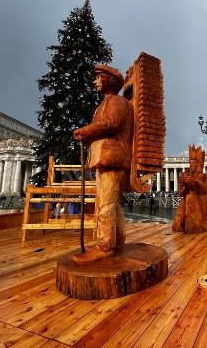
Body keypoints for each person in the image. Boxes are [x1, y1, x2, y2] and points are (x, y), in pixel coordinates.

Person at [72, 64, 133, 264]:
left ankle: (105, 246)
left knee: (105, 205)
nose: (95, 81)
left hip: (113, 160)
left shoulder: (116, 101)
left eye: (99, 77)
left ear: (110, 80)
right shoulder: (107, 103)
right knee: (112, 205)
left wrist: (85, 131)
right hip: (107, 159)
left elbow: (111, 124)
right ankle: (117, 240)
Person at [172, 145, 207, 233]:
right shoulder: (186, 174)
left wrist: (196, 183)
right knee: (177, 224)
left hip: (199, 201)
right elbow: (182, 192)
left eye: (194, 163)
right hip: (186, 201)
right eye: (190, 163)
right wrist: (183, 184)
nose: (192, 165)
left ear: (198, 164)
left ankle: (194, 226)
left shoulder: (204, 175)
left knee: (191, 200)